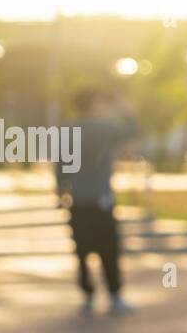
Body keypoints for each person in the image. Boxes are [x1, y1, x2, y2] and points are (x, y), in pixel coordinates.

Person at [58, 88, 139, 315]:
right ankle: (114, 295)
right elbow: (133, 130)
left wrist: (60, 191)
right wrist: (123, 107)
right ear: (94, 105)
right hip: (102, 199)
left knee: (82, 249)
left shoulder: (67, 129)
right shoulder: (105, 128)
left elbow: (60, 165)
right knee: (109, 249)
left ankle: (87, 293)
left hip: (79, 198)